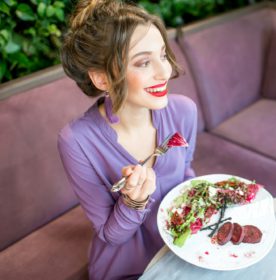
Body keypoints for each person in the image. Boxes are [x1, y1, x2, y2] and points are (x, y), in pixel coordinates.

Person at [58, 0, 197, 279]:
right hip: (125, 268)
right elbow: (111, 236)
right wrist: (134, 201)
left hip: (183, 250)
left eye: (162, 55)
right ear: (102, 79)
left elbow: (185, 175)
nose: (164, 71)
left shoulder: (184, 111)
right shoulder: (77, 141)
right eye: (144, 62)